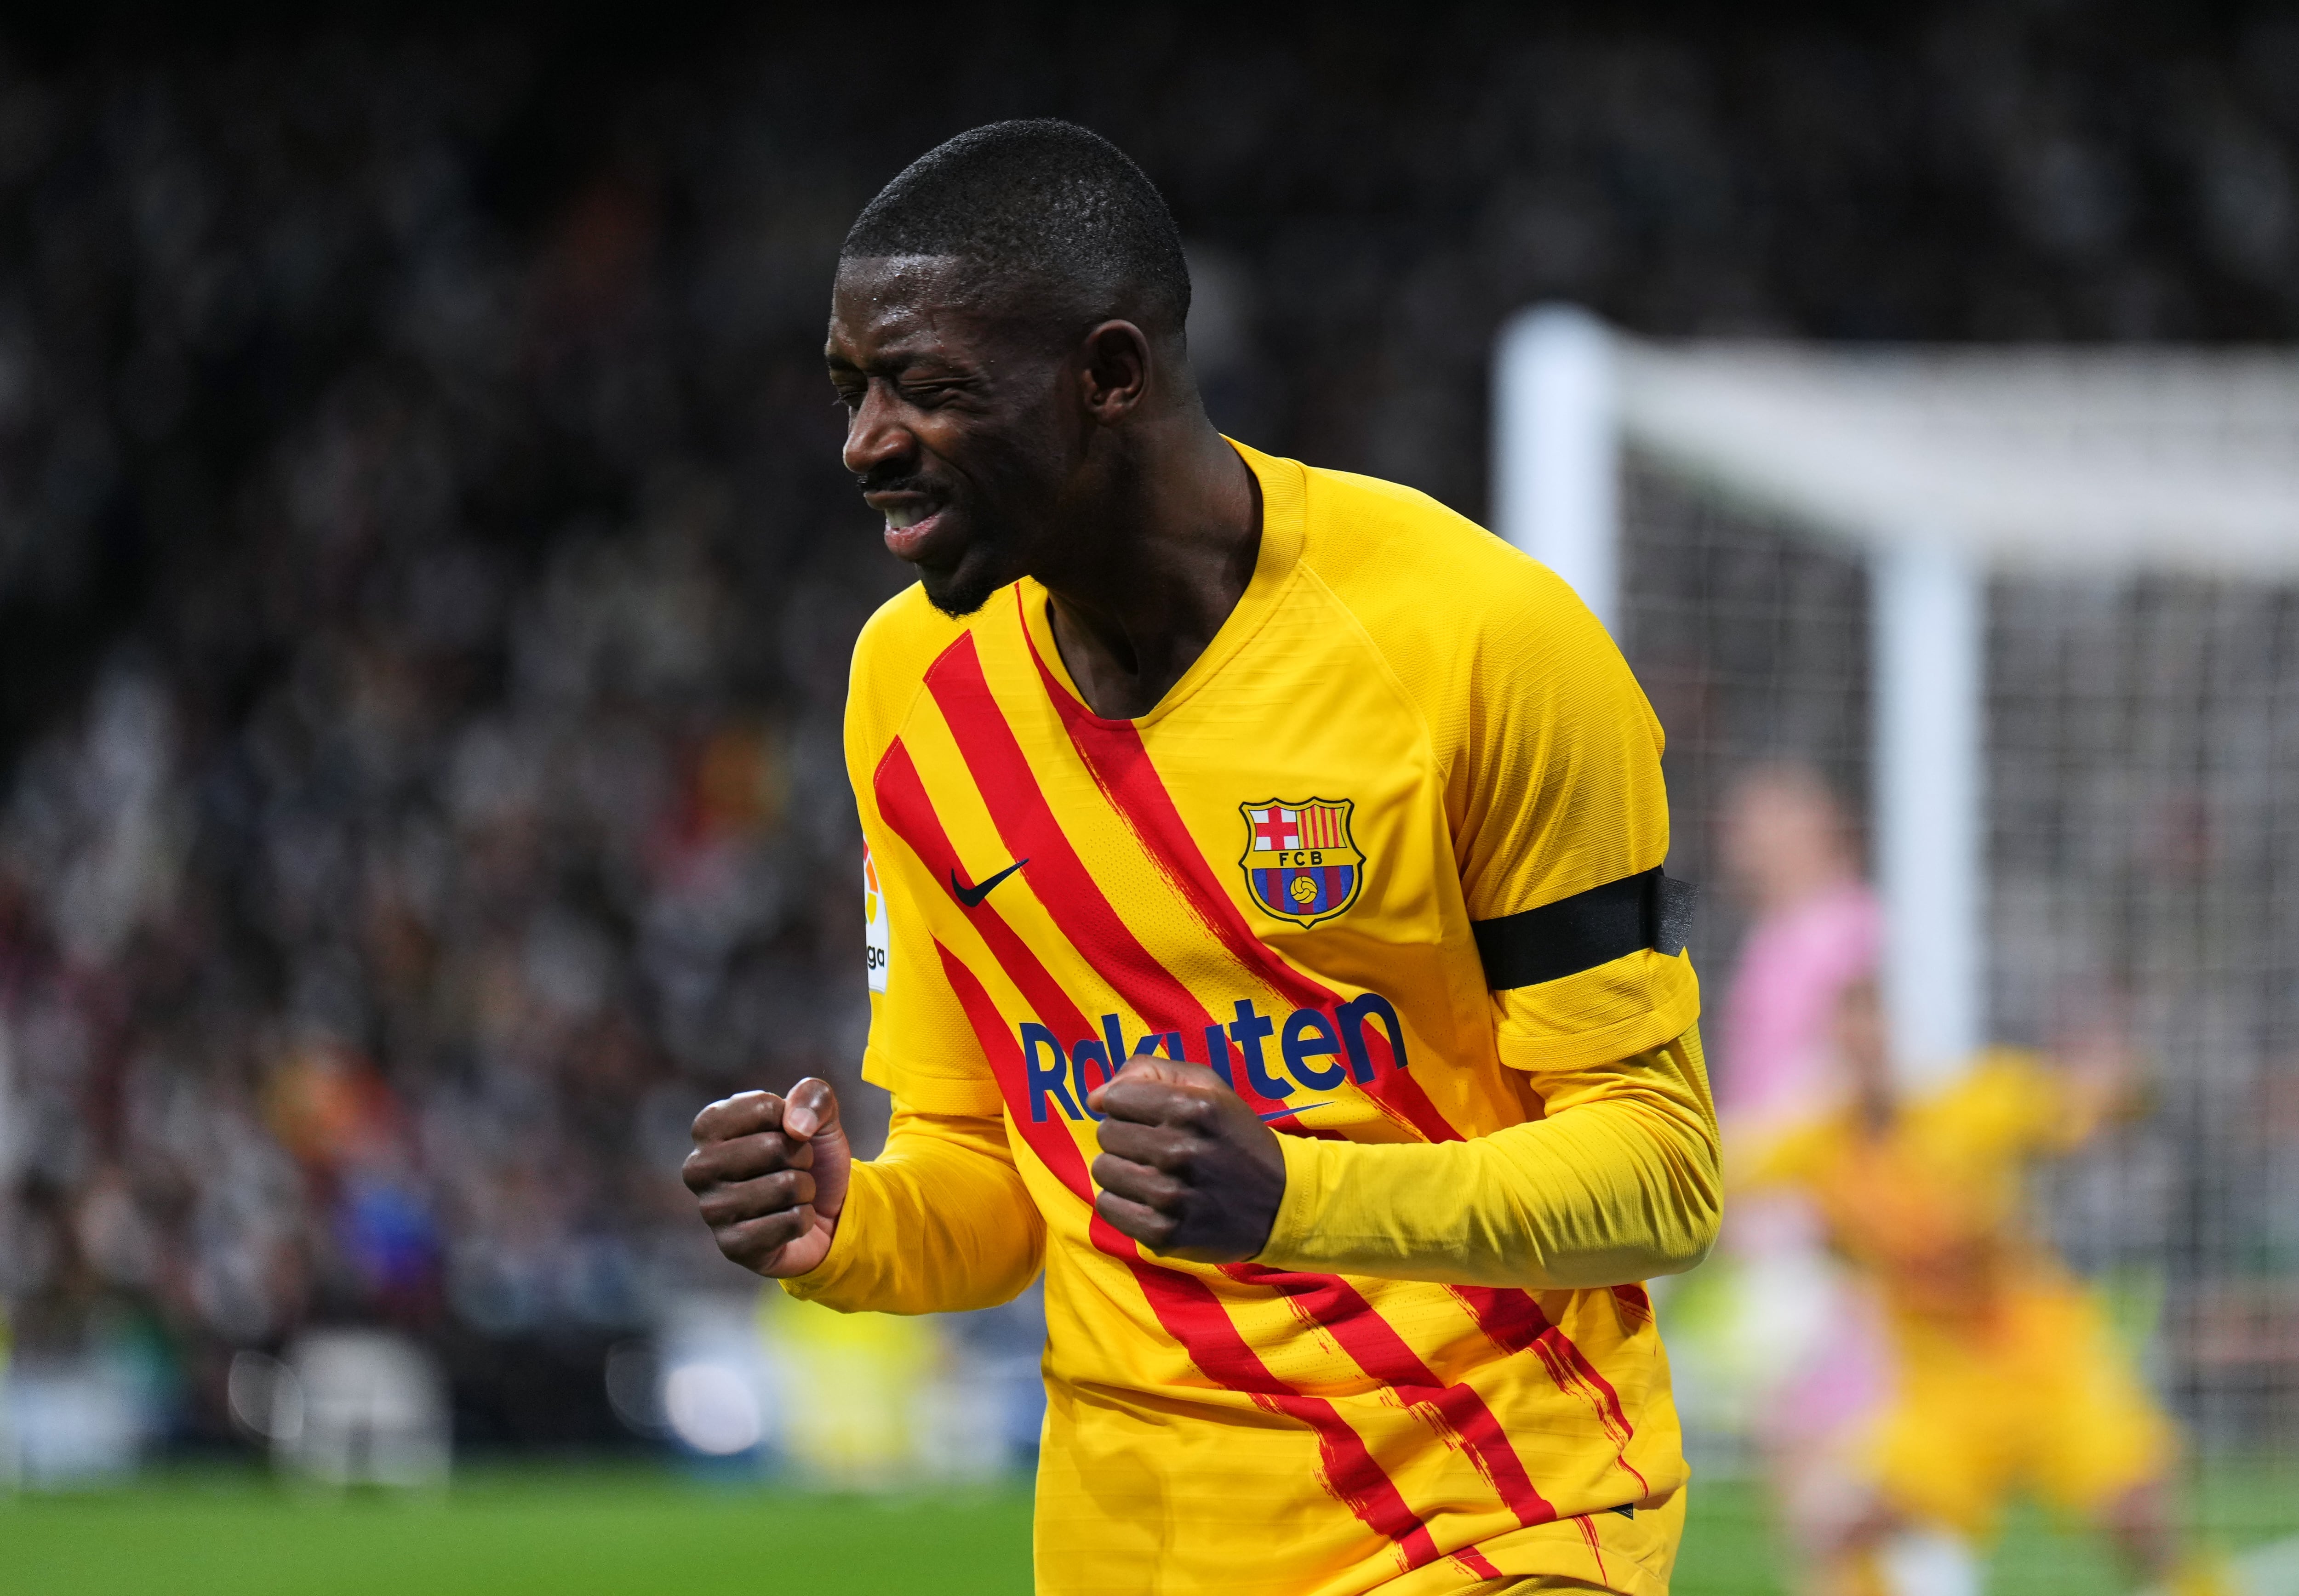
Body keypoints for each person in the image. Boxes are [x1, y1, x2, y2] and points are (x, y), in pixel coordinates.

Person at [681, 120, 1721, 1596]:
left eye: (925, 386)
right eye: (850, 393)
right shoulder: (908, 691)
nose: (864, 446)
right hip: (1132, 1544)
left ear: (1111, 376)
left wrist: (1293, 1199)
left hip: (1490, 1516)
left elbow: (1662, 1174)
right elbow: (989, 1180)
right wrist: (845, 1222)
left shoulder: (1481, 645)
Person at [1749, 980, 2216, 1596]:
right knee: (1840, 1532)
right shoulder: (1816, 1147)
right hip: (1947, 1394)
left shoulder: (1974, 1107)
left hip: (2048, 1365)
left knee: (2138, 1522)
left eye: (1877, 1036)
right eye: (1850, 1041)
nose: (1865, 1054)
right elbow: (1719, 1173)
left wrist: (2121, 1084)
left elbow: (2085, 1099)